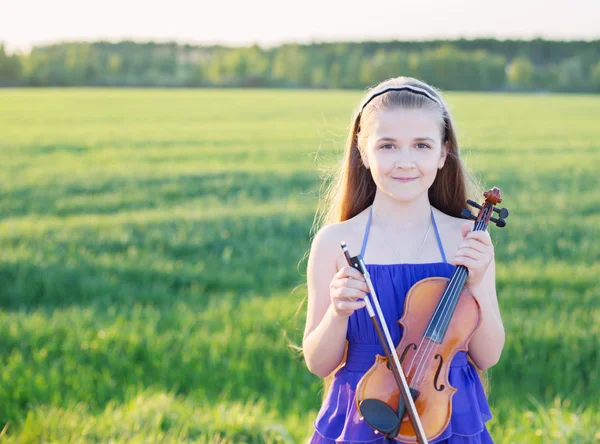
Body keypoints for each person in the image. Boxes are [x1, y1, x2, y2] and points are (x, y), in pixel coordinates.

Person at [302, 76, 505, 443]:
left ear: (443, 154)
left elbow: (487, 355)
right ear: (363, 152)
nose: (405, 162)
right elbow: (319, 363)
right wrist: (337, 312)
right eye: (388, 146)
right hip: (363, 416)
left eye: (422, 145)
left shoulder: (465, 237)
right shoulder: (335, 242)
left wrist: (476, 282)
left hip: (444, 416)